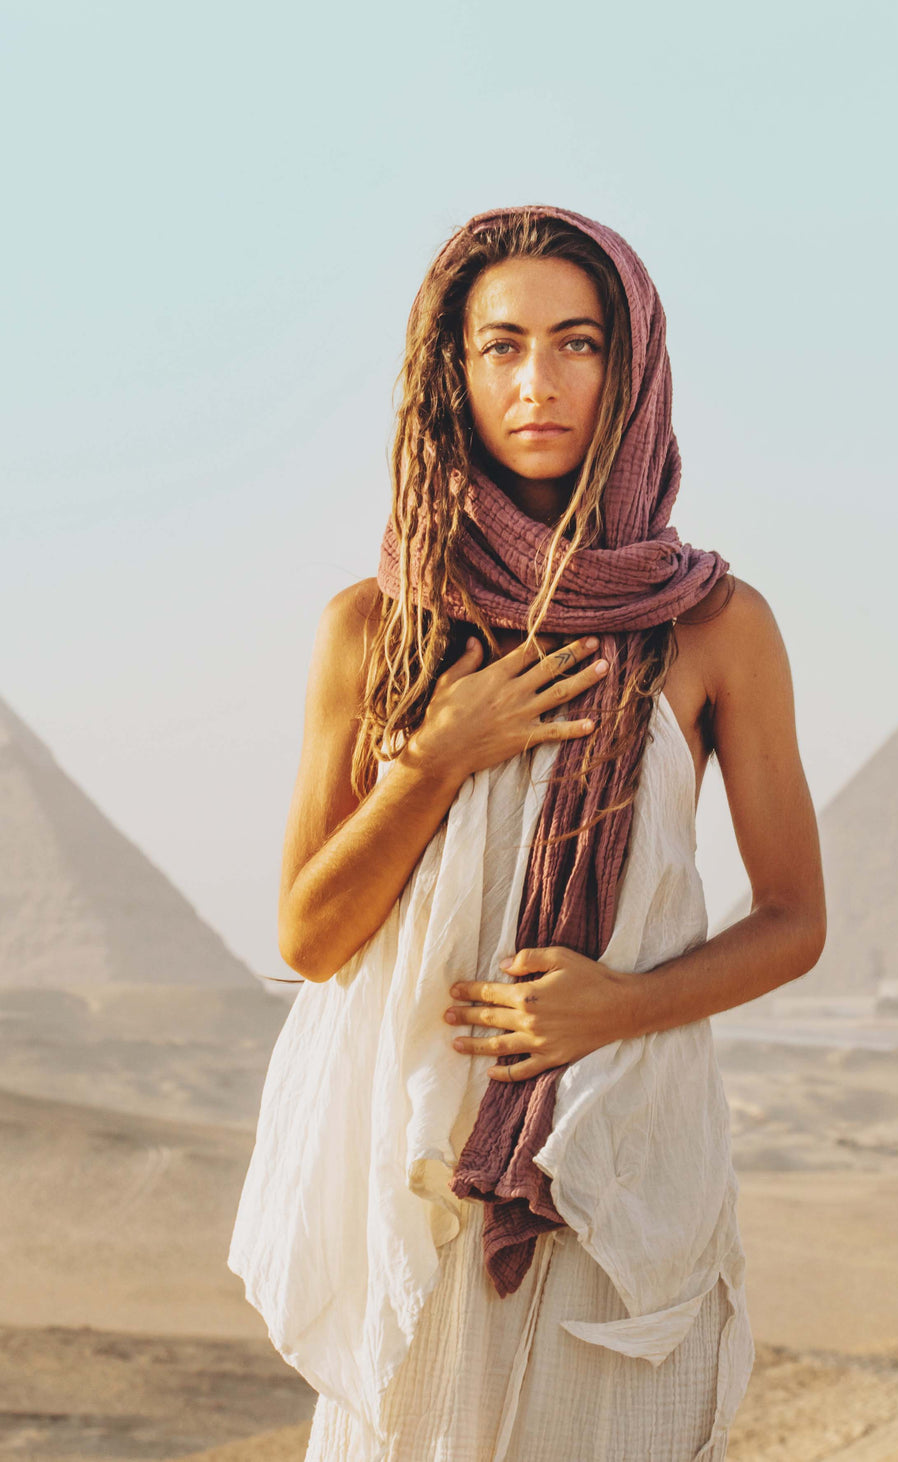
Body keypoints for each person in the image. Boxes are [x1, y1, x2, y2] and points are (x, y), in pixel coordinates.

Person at [229, 204, 826, 1462]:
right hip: (416, 1164)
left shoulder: (715, 626)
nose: (538, 383)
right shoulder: (374, 627)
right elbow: (311, 932)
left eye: (579, 343)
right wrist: (437, 758)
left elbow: (793, 920)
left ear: (635, 365)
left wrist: (616, 1006)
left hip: (617, 1155)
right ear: (450, 373)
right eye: (500, 347)